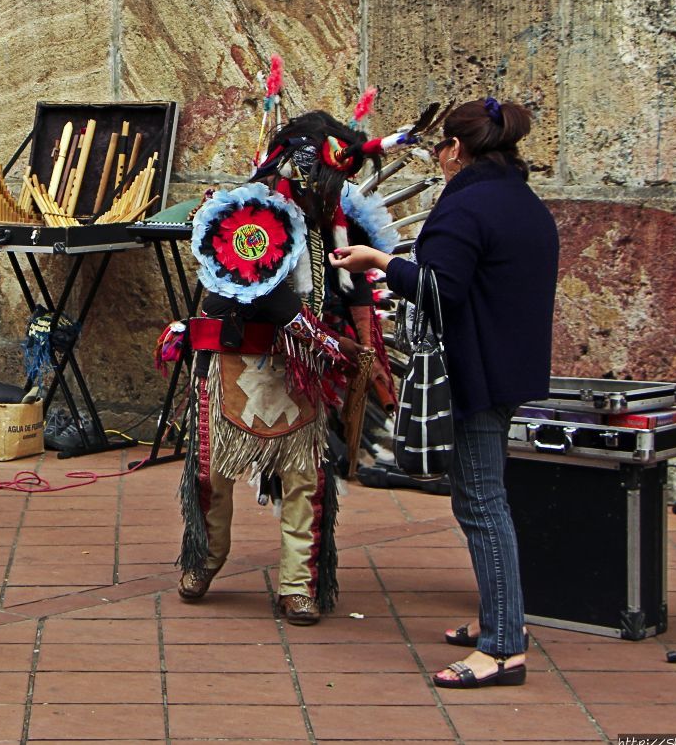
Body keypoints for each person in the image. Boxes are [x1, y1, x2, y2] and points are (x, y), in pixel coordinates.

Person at [330, 97, 559, 688]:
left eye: (438, 148)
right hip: (509, 365)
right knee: (481, 499)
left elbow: (440, 288)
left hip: (478, 372)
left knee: (482, 503)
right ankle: (500, 620)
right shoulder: (521, 201)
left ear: (456, 150)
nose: (436, 158)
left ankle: (504, 647)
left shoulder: (467, 207)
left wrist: (380, 260)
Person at [174, 111, 378, 626]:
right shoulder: (246, 212)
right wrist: (328, 344)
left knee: (306, 478)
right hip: (234, 359)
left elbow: (341, 290)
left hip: (298, 366)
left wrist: (349, 338)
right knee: (212, 472)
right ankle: (205, 558)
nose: (336, 195)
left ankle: (297, 587)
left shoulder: (326, 222)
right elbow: (269, 293)